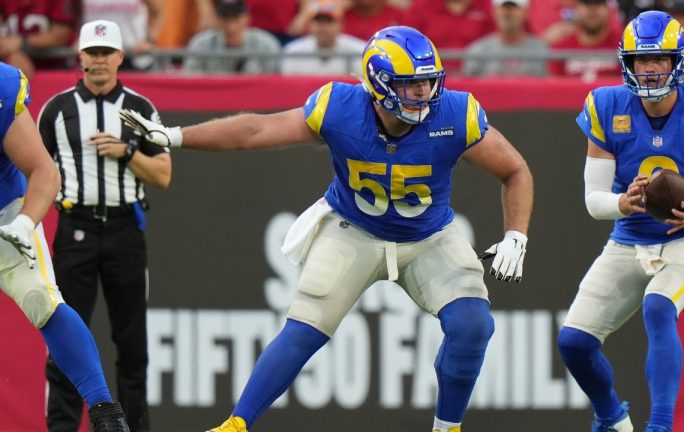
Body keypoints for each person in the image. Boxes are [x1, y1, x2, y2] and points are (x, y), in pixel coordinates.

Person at [120, 25, 533, 432]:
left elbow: (515, 169)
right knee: (305, 326)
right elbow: (256, 130)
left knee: (473, 324)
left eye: (427, 83)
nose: (423, 94)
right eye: (411, 85)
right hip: (352, 227)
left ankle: (447, 428)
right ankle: (236, 425)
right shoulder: (340, 107)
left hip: (428, 237)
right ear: (379, 84)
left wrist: (516, 233)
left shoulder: (454, 114)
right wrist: (174, 136)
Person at [557, 10, 684, 432]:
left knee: (658, 307)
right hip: (629, 236)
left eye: (659, 58)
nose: (650, 68)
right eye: (642, 60)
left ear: (678, 60)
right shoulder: (605, 105)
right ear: (628, 62)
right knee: (573, 342)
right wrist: (623, 203)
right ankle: (611, 417)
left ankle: (660, 426)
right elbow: (593, 200)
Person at [39, 19, 172, 432]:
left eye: (105, 53)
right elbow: (34, 165)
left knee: (131, 344)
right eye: (91, 54)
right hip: (74, 227)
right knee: (64, 342)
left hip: (123, 231)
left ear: (119, 57)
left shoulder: (140, 109)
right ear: (80, 58)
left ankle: (134, 427)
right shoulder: (57, 110)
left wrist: (126, 151)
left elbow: (164, 173)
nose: (98, 61)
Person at [0, 62, 130, 431]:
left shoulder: (1, 88)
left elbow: (45, 171)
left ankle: (106, 413)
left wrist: (24, 225)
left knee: (41, 297)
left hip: (3, 212)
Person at [183, 0, 282, 74]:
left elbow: (274, 80)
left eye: (236, 19)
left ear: (247, 18)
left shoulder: (266, 44)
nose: (231, 26)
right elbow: (192, 79)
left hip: (255, 98)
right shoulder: (201, 44)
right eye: (226, 19)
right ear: (217, 19)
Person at [462, 0, 548, 77]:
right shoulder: (478, 50)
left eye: (514, 7)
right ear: (494, 11)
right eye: (504, 7)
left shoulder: (540, 51)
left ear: (526, 12)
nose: (508, 13)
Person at [281, 1, 368, 76]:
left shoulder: (358, 50)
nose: (323, 26)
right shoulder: (293, 51)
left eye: (329, 21)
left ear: (341, 24)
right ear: (310, 24)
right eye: (319, 21)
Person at [548, 0, 624, 80]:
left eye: (599, 4)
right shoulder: (561, 46)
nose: (592, 10)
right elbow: (554, 86)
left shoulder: (623, 44)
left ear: (609, 10)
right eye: (586, 3)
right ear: (577, 9)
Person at [0, 0, 78, 78]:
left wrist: (21, 42)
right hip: (12, 65)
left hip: (55, 68)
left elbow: (61, 36)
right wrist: (12, 53)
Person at [81, 0, 166, 70]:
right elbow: (77, 14)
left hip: (135, 57)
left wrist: (149, 41)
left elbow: (158, 12)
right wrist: (80, 39)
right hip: (96, 55)